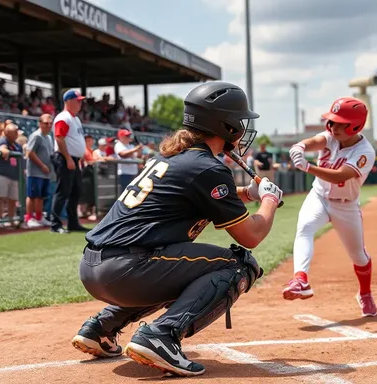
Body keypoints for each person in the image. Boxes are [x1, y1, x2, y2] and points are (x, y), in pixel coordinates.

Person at [70, 81, 283, 377]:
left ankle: (100, 328)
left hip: (96, 267)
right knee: (239, 265)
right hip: (127, 270)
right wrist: (270, 201)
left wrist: (246, 193)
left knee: (179, 267)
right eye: (240, 120)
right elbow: (252, 235)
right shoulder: (208, 167)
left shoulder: (172, 157)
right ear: (226, 124)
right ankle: (161, 336)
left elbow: (201, 192)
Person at [284, 96, 377, 317]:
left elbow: (340, 177)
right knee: (304, 228)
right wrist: (300, 146)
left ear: (355, 125)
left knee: (359, 257)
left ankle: (365, 293)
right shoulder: (330, 137)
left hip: (346, 207)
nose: (334, 127)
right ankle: (301, 279)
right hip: (319, 196)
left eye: (340, 123)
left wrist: (308, 167)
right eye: (332, 121)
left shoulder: (365, 152)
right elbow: (314, 141)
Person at [50, 89, 89, 234]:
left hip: (73, 159)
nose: (80, 103)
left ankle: (73, 223)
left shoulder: (75, 119)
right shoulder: (63, 117)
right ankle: (55, 224)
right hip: (64, 157)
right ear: (68, 101)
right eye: (77, 100)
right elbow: (59, 138)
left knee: (76, 191)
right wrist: (68, 158)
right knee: (63, 191)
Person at [24, 114, 54, 228]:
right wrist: (42, 166)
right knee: (32, 196)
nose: (49, 125)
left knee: (41, 196)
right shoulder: (36, 136)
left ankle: (39, 217)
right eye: (46, 123)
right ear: (40, 124)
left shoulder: (49, 137)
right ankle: (29, 218)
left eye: (50, 123)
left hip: (45, 172)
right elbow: (30, 152)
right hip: (35, 171)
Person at [0, 123, 21, 227]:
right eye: (14, 132)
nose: (17, 134)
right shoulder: (3, 140)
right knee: (0, 198)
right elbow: (1, 148)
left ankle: (11, 219)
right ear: (8, 133)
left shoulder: (17, 145)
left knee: (13, 199)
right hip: (2, 174)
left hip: (14, 176)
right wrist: (5, 150)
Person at [113, 129, 142, 194]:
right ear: (120, 137)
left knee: (132, 193)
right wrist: (135, 149)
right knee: (124, 193)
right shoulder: (118, 144)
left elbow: (137, 156)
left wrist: (139, 149)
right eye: (126, 136)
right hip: (124, 173)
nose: (128, 137)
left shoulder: (131, 146)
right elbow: (122, 155)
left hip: (134, 172)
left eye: (128, 135)